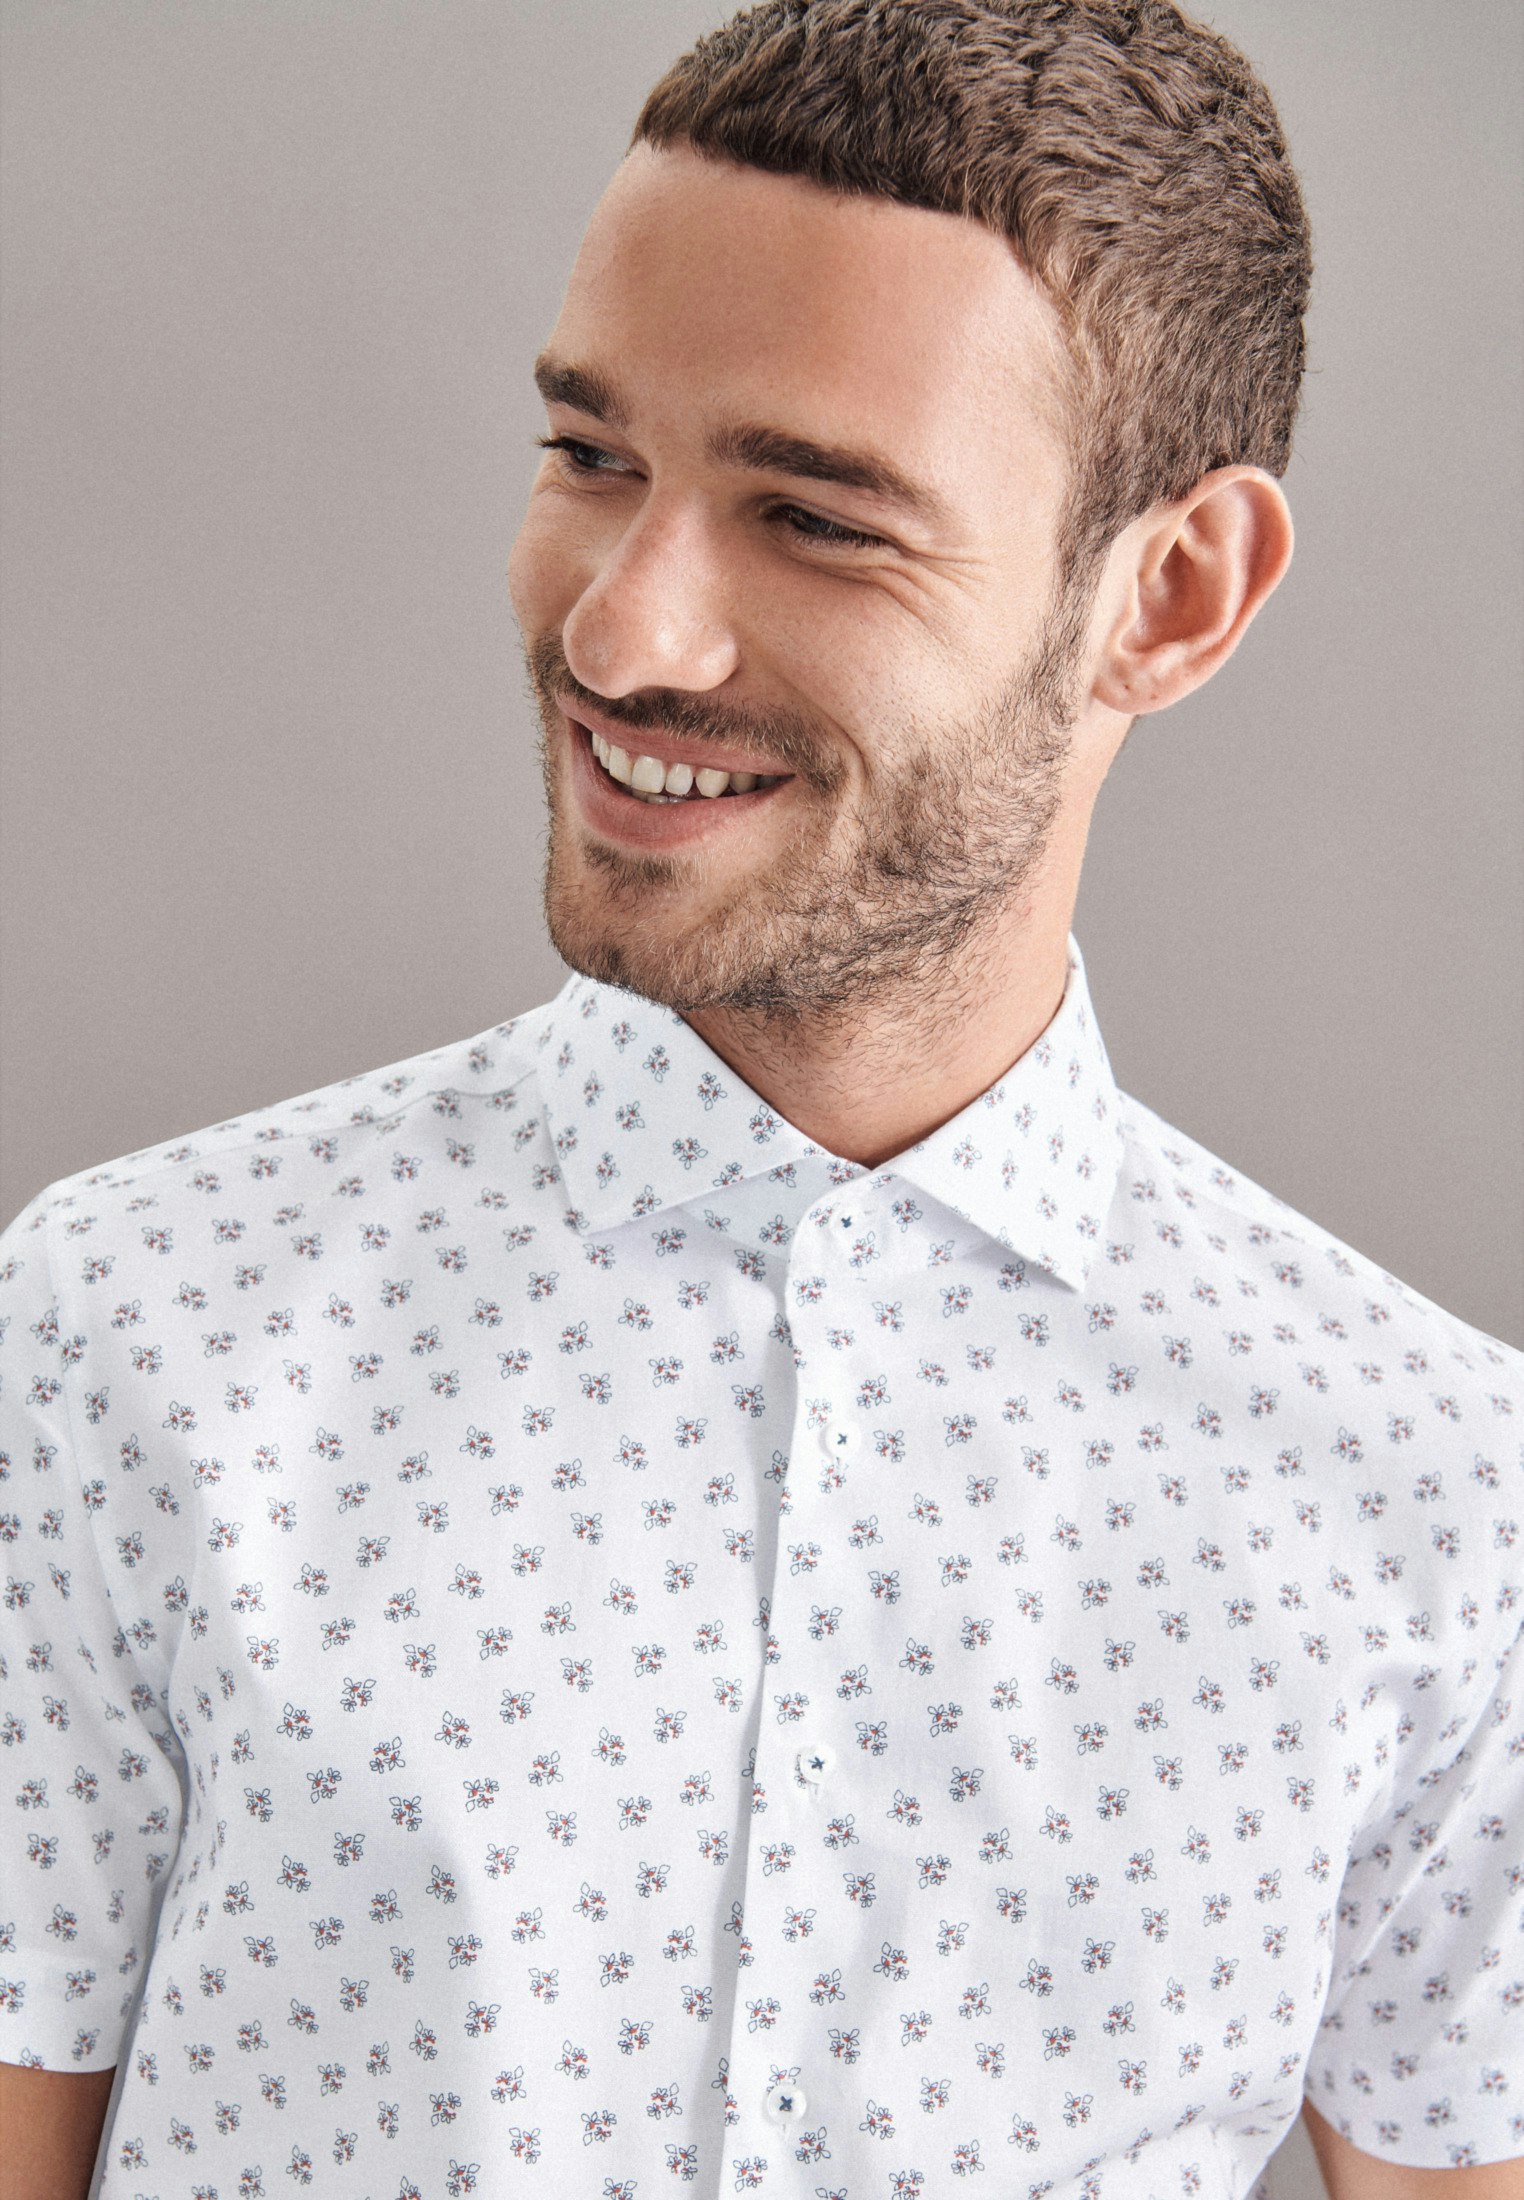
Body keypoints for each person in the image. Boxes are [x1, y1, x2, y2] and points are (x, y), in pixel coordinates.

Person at [1, 1, 1519, 2195]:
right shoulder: (131, 1336)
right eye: (590, 453)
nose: (623, 634)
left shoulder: (1438, 1500)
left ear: (1172, 595)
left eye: (814, 515)